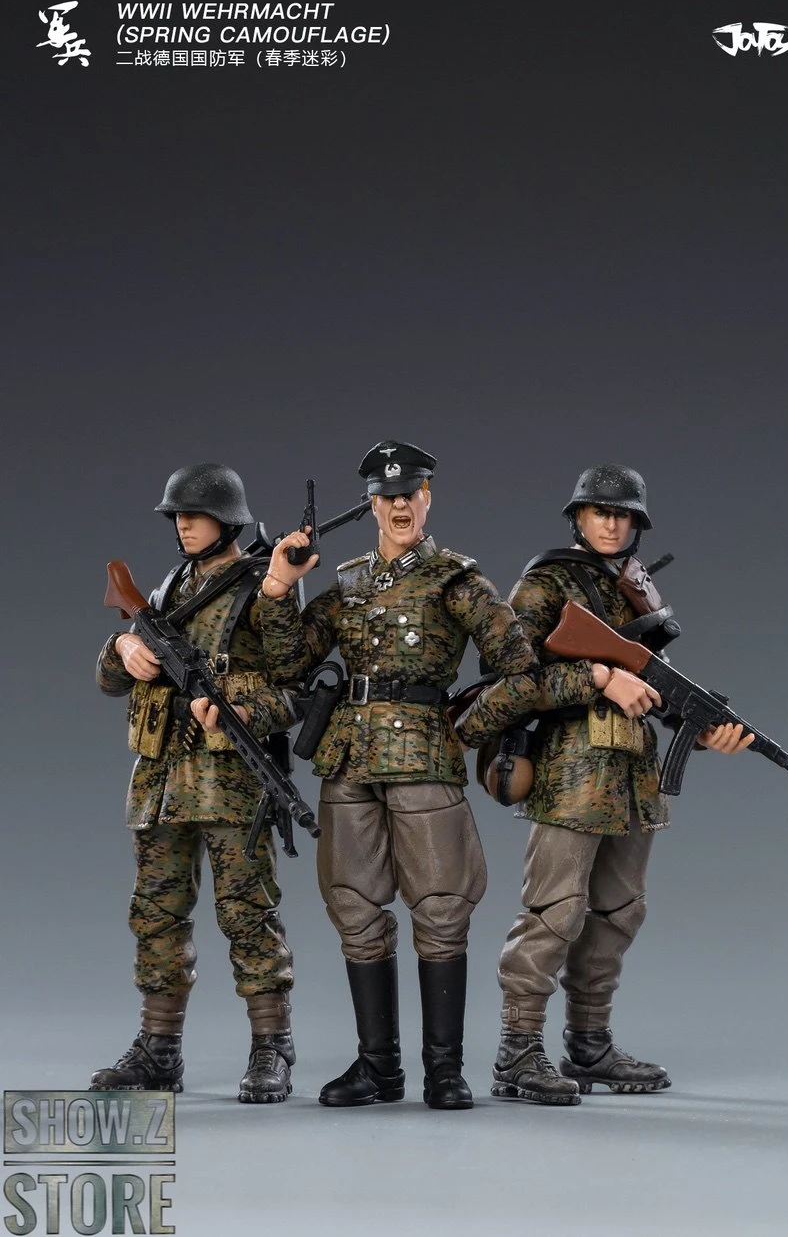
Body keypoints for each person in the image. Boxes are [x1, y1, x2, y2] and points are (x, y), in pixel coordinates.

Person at [258, 440, 539, 1110]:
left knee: (441, 907)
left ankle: (444, 1070)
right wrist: (277, 587)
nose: (400, 506)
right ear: (371, 506)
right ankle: (378, 1067)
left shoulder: (454, 579)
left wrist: (463, 728)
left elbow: (522, 669)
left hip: (423, 760)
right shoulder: (350, 582)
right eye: (386, 497)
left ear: (427, 497)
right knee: (354, 907)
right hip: (349, 762)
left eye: (410, 494)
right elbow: (289, 663)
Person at [491, 464, 752, 1106]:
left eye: (623, 514)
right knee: (554, 911)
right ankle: (518, 1050)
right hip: (570, 776)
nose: (611, 523)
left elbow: (657, 687)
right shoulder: (544, 583)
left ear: (637, 524)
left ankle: (589, 1043)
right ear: (578, 517)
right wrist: (600, 679)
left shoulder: (637, 589)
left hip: (634, 777)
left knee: (618, 911)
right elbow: (513, 682)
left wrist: (704, 728)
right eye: (600, 511)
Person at [91, 463, 300, 1103]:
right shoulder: (168, 589)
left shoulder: (261, 589)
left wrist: (245, 711)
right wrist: (121, 649)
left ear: (228, 521)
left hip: (230, 783)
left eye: (195, 515)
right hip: (160, 781)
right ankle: (159, 1049)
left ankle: (272, 1046)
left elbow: (294, 686)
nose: (183, 525)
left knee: (247, 914)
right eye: (177, 515)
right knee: (155, 914)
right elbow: (109, 681)